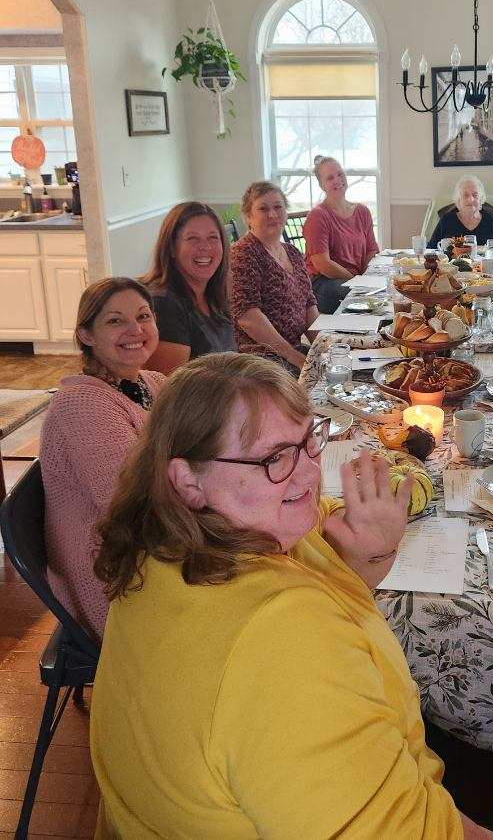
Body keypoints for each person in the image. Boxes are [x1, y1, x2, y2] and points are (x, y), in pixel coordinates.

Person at [90, 353, 493, 840]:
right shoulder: (283, 643)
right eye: (274, 457)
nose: (307, 473)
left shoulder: (172, 542)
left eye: (308, 442)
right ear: (188, 481)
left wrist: (374, 549)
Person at [40, 278, 165, 636]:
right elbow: (134, 509)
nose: (135, 330)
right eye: (115, 321)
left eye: (143, 316)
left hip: (148, 552)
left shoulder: (151, 383)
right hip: (115, 582)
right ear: (86, 335)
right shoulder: (81, 406)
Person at [229, 181, 318, 372]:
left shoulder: (292, 252)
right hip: (261, 359)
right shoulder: (243, 253)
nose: (272, 214)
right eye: (263, 209)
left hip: (293, 350)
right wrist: (298, 359)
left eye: (278, 207)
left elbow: (308, 304)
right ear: (248, 217)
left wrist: (322, 349)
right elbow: (248, 318)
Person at [140, 201, 235, 374]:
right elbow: (172, 389)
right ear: (171, 249)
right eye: (193, 239)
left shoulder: (214, 292)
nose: (205, 247)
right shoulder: (163, 303)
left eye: (213, 238)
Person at [304, 155, 380, 314]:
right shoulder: (318, 216)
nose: (337, 180)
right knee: (368, 302)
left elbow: (371, 250)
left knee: (391, 290)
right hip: (323, 283)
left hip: (356, 279)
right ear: (322, 185)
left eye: (340, 174)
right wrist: (356, 280)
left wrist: (365, 277)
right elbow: (322, 264)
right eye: (330, 178)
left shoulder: (362, 212)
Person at [427, 175, 493, 250]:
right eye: (465, 195)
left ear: (481, 200)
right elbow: (430, 249)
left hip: (485, 266)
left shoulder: (492, 221)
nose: (470, 199)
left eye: (475, 195)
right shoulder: (446, 220)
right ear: (459, 200)